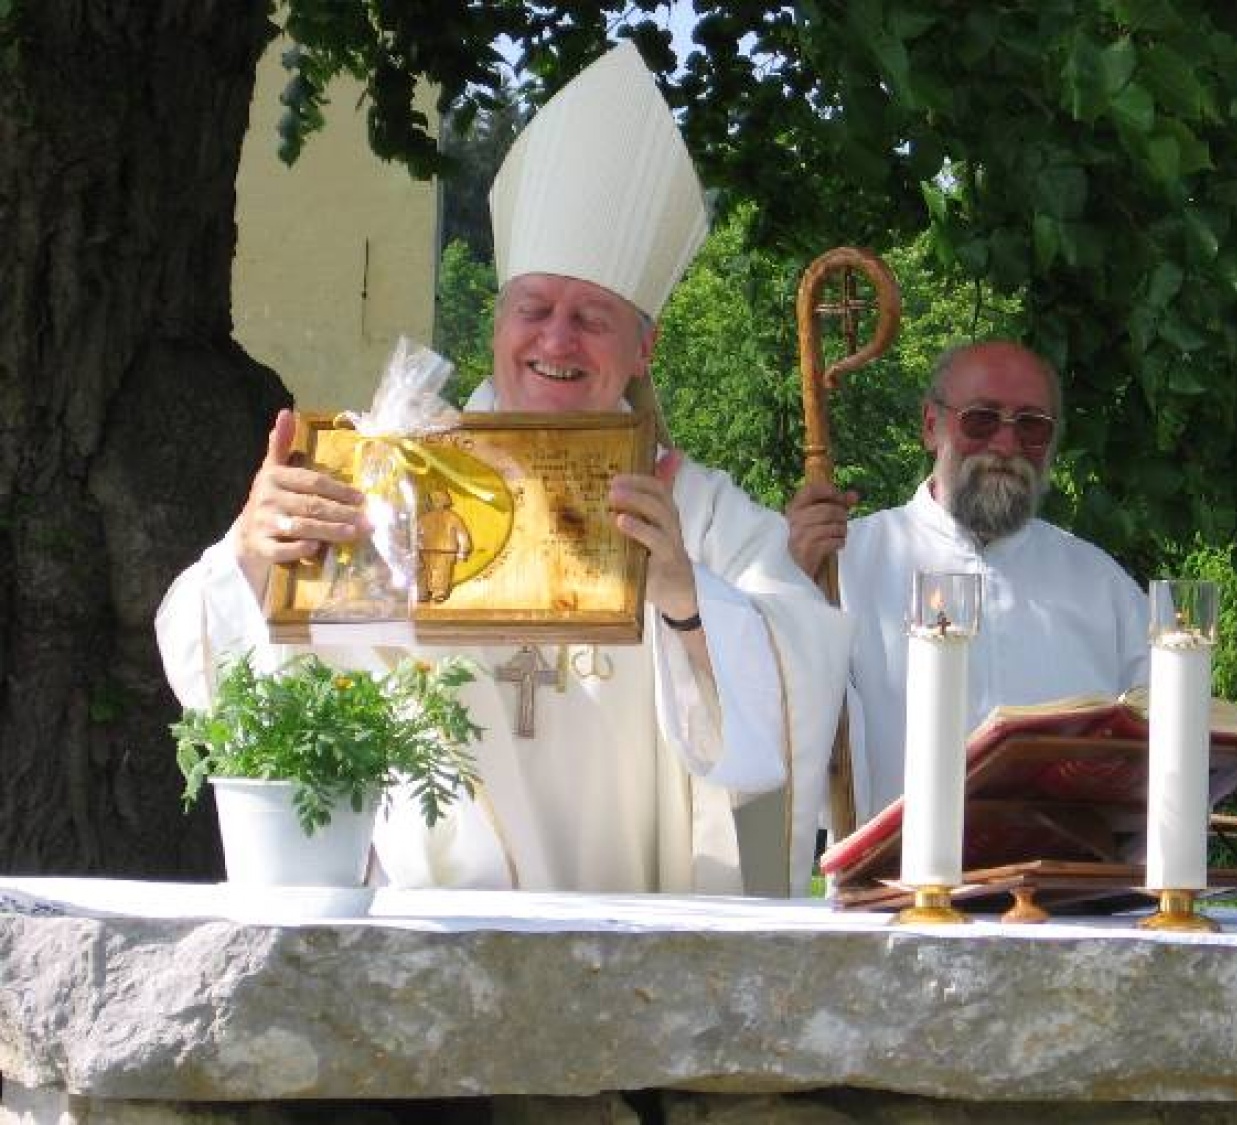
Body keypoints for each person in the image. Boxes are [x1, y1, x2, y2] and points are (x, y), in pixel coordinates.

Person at [157, 42, 850, 896]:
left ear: (643, 348)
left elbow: (805, 670)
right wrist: (256, 550)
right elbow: (210, 678)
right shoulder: (393, 475)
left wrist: (686, 599)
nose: (556, 340)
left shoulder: (698, 513)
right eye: (535, 309)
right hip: (427, 940)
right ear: (497, 322)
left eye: (593, 317)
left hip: (634, 948)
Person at [786, 340, 1148, 825]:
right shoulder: (842, 566)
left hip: (1064, 895)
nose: (1006, 445)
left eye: (1032, 427)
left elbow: (1164, 753)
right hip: (891, 891)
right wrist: (787, 585)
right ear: (931, 426)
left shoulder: (1103, 588)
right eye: (981, 420)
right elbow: (772, 731)